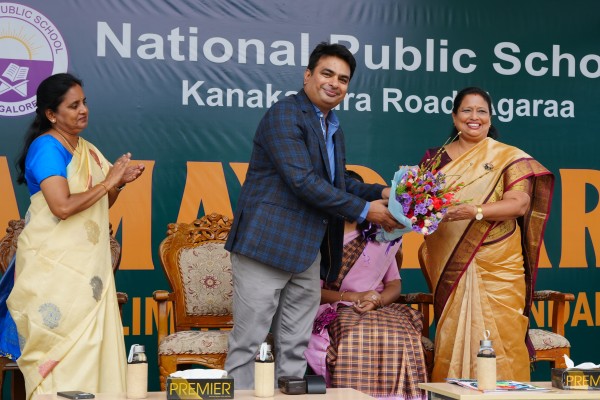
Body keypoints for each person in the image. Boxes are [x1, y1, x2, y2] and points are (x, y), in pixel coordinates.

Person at [224, 42, 402, 389]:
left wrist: (383, 193)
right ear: (308, 76)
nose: (334, 83)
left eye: (343, 79)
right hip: (266, 247)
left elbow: (337, 182)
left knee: (295, 345)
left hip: (307, 252)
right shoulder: (285, 115)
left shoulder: (332, 126)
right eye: (327, 74)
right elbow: (302, 181)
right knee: (249, 343)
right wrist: (367, 211)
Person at [5, 73, 145, 398]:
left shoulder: (86, 150)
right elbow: (62, 207)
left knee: (92, 348)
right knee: (61, 352)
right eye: (73, 105)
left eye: (84, 102)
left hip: (88, 273)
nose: (83, 110)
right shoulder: (47, 147)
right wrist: (109, 181)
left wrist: (119, 184)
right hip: (53, 270)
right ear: (51, 114)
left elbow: (101, 203)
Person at [418, 87, 554, 382]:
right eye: (467, 110)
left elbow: (519, 204)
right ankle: (452, 393)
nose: (474, 117)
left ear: (490, 118)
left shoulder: (508, 157)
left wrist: (474, 211)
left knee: (503, 335)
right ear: (454, 116)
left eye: (482, 111)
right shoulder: (435, 160)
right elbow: (420, 206)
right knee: (453, 334)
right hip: (451, 259)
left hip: (499, 261)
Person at [305, 170, 428, 400]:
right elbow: (309, 291)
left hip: (378, 306)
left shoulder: (381, 234)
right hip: (336, 308)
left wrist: (376, 300)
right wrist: (353, 297)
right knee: (355, 332)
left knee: (400, 334)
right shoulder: (320, 237)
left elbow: (394, 284)